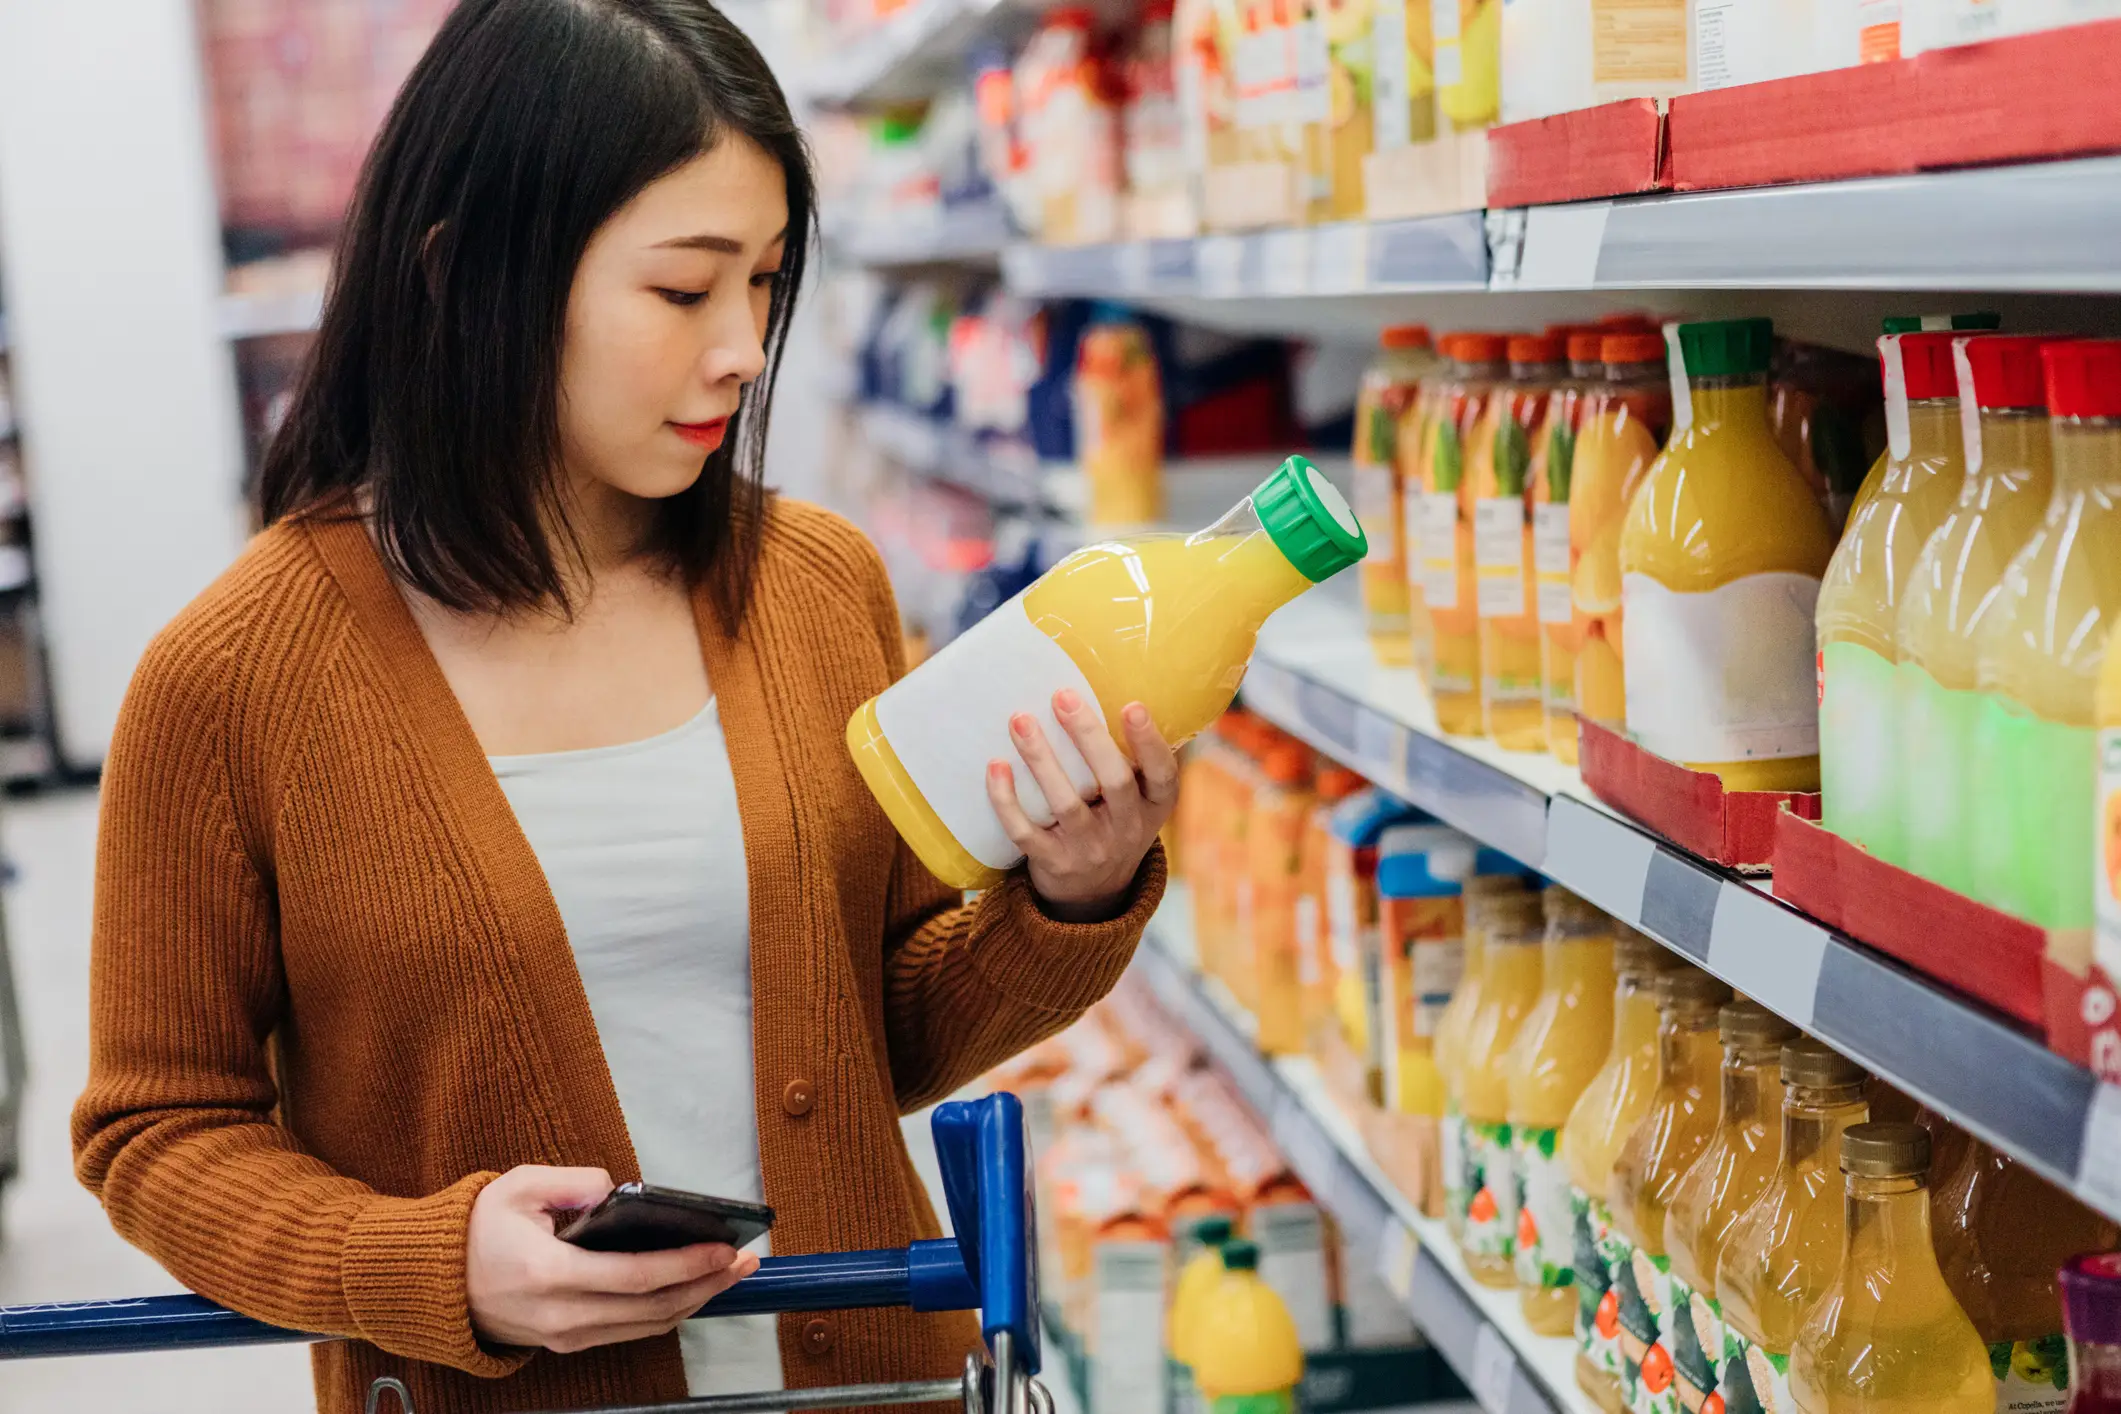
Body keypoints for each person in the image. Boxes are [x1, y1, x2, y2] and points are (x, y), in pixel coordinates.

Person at [73, 3, 1172, 1411]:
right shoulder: (231, 680)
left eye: (767, 282)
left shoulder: (817, 589)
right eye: (683, 290)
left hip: (872, 1383)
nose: (745, 350)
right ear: (464, 274)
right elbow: (158, 1131)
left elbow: (873, 1029)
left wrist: (1067, 899)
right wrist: (427, 1261)